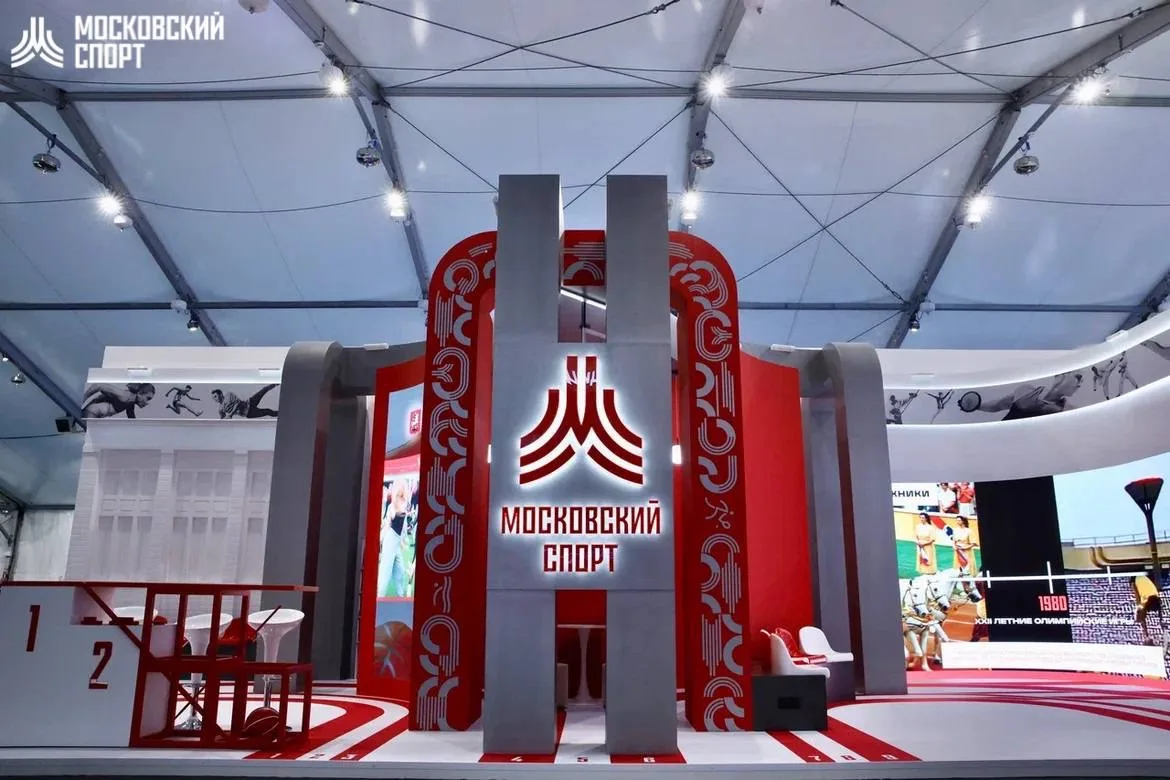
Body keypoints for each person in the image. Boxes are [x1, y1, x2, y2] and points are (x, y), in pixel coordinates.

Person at [963, 372, 1083, 421]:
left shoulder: (1068, 410)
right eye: (1078, 377)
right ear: (1061, 376)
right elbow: (997, 405)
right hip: (999, 441)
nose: (1079, 384)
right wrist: (975, 406)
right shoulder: (1026, 390)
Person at [82, 383, 156, 419]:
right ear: (139, 393)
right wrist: (83, 399)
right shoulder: (125, 395)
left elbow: (132, 418)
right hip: (92, 412)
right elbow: (99, 386)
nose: (147, 402)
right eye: (148, 398)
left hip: (96, 415)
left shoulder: (130, 403)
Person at [211, 384, 278, 419]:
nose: (214, 399)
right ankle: (281, 414)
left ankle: (277, 382)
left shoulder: (228, 395)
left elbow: (238, 403)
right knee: (268, 411)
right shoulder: (220, 409)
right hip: (249, 413)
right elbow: (223, 420)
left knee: (264, 390)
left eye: (215, 396)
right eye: (213, 398)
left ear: (221, 394)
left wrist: (230, 414)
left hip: (250, 402)